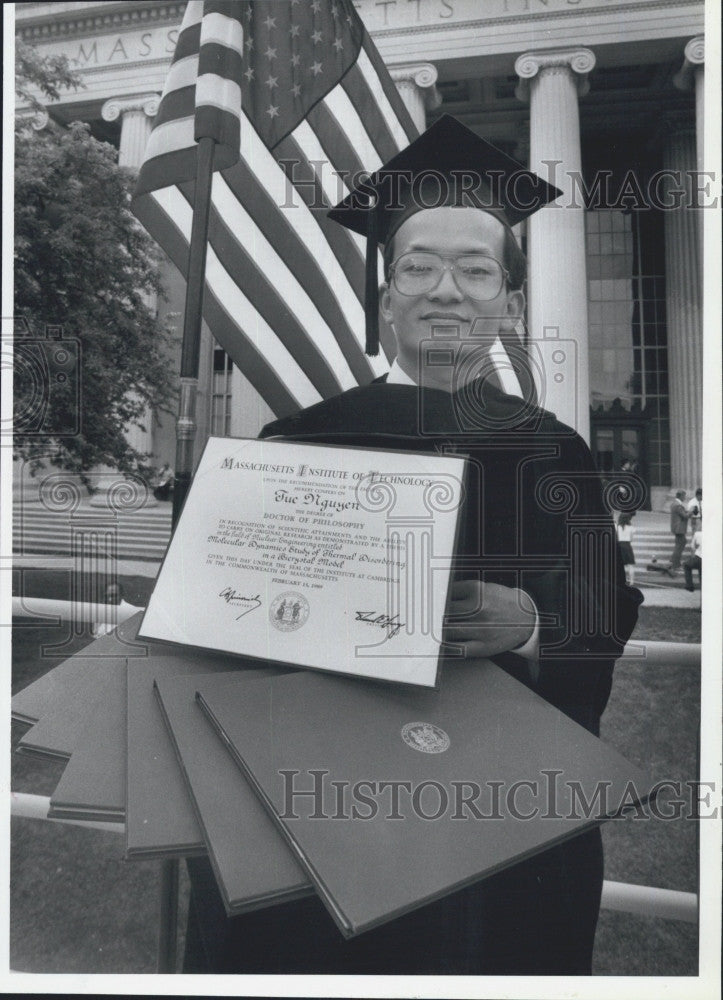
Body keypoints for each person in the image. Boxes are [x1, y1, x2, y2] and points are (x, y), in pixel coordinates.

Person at [183, 116, 642, 976]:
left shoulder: (557, 455)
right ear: (386, 296)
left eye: (475, 270)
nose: (445, 290)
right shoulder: (294, 445)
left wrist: (533, 623)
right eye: (418, 267)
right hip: (314, 818)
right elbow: (217, 638)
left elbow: (601, 613)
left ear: (508, 303)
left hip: (500, 828)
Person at [669, 490, 689, 572]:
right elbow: (684, 516)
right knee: (679, 545)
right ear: (680, 496)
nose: (685, 498)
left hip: (677, 528)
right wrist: (691, 512)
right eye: (684, 496)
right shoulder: (678, 505)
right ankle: (675, 564)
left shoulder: (675, 503)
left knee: (681, 543)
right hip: (679, 528)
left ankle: (674, 561)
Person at [616, 512, 636, 586]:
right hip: (627, 545)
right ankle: (631, 581)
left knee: (621, 565)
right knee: (631, 565)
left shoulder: (617, 527)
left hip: (619, 545)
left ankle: (622, 580)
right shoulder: (631, 528)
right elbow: (631, 539)